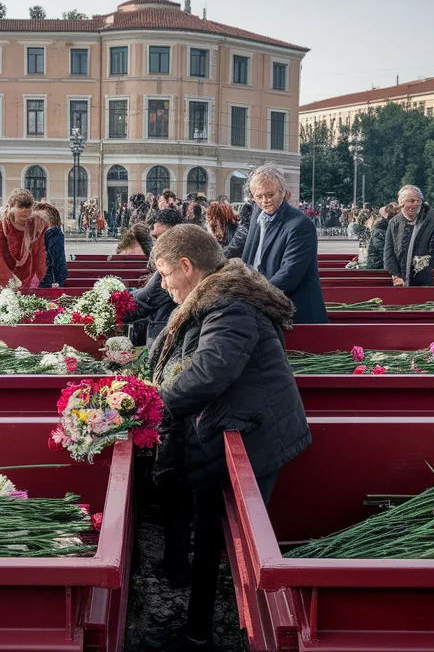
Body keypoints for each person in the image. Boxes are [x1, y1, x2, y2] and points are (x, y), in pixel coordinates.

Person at [148, 225, 311, 649]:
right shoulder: (218, 298)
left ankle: (207, 630)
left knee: (224, 536)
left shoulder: (231, 306)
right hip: (230, 428)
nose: (163, 286)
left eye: (165, 274)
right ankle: (199, 624)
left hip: (255, 435)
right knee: (207, 527)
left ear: (187, 266)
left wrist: (150, 408)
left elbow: (210, 371)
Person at [240, 165, 328, 323]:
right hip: (263, 307)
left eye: (270, 194)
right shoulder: (257, 214)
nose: (265, 201)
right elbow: (249, 258)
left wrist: (251, 295)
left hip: (295, 314)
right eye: (259, 196)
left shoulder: (301, 224)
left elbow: (289, 275)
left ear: (283, 192)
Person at [125, 208, 183, 350]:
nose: (157, 245)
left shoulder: (176, 261)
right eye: (155, 238)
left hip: (166, 335)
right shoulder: (164, 255)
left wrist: (116, 302)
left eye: (161, 237)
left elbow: (147, 298)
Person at [0, 189, 47, 289]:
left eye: (28, 207)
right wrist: (8, 280)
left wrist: (44, 281)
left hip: (23, 273)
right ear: (11, 208)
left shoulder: (36, 224)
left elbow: (38, 253)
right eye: (20, 207)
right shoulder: (1, 223)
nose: (25, 210)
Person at [383, 185, 434, 287]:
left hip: (424, 279)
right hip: (400, 281)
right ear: (401, 203)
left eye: (419, 201)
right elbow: (389, 251)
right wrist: (396, 275)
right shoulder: (394, 222)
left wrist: (418, 267)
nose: (415, 204)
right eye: (411, 201)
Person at [33, 202, 68, 288]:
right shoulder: (34, 235)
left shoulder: (53, 235)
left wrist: (56, 282)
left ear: (52, 222)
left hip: (46, 284)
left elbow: (56, 262)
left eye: (42, 219)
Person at [363, 203, 398, 270]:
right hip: (378, 266)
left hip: (386, 265)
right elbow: (385, 252)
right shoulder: (379, 230)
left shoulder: (389, 228)